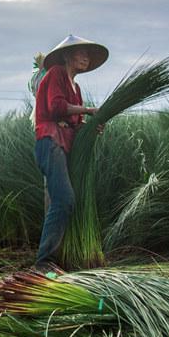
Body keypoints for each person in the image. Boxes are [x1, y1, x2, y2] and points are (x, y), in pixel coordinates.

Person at [33, 34, 109, 272]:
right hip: (49, 142)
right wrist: (88, 110)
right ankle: (44, 262)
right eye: (81, 53)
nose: (85, 58)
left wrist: (89, 126)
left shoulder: (76, 88)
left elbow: (74, 122)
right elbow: (55, 107)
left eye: (88, 55)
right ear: (66, 56)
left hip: (63, 144)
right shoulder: (55, 73)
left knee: (65, 200)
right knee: (64, 199)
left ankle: (58, 258)